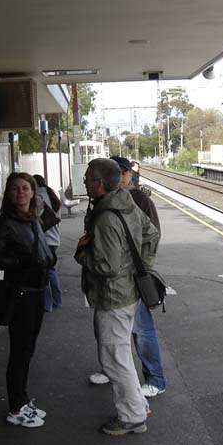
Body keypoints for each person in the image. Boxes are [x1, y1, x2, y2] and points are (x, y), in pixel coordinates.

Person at [76, 158, 160, 436]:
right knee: (121, 354)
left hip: (113, 297)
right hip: (129, 292)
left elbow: (107, 267)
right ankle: (138, 404)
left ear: (99, 184)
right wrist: (141, 268)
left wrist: (82, 253)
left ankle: (132, 416)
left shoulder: (105, 218)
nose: (84, 182)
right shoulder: (128, 204)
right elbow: (152, 235)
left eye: (88, 178)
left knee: (114, 359)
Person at [88, 156, 166, 398]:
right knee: (110, 336)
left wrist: (141, 268)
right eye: (117, 172)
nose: (121, 177)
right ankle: (111, 370)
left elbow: (153, 235)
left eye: (124, 172)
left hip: (128, 282)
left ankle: (155, 379)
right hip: (112, 284)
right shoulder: (101, 202)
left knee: (141, 332)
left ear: (130, 174)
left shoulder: (139, 200)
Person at [0, 172, 55, 428]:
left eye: (25, 188)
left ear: (33, 192)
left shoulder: (32, 218)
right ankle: (15, 408)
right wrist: (22, 262)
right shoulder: (5, 223)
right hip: (21, 293)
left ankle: (23, 400)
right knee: (20, 351)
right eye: (15, 188)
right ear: (8, 193)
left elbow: (41, 249)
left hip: (37, 291)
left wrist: (47, 259)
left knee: (28, 350)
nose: (21, 193)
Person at [33, 174, 63, 312]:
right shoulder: (51, 195)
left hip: (45, 239)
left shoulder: (38, 198)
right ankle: (56, 300)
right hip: (54, 238)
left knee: (45, 271)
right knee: (50, 270)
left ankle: (49, 304)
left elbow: (36, 219)